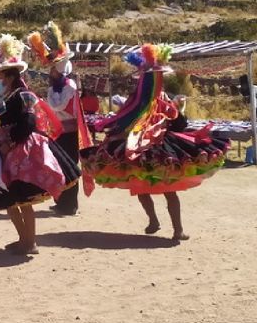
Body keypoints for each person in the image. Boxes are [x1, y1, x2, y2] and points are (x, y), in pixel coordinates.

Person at [81, 44, 230, 241]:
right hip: (146, 147)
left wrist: (177, 109)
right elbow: (176, 124)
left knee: (148, 186)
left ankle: (164, 224)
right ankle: (169, 227)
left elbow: (170, 123)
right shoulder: (149, 101)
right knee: (158, 188)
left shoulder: (154, 101)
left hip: (151, 148)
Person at [0, 35, 81, 255]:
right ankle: (24, 239)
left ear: (8, 76)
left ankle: (30, 242)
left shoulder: (24, 96)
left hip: (20, 152)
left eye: (1, 76)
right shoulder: (1, 99)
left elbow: (28, 123)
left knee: (23, 199)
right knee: (10, 200)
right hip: (1, 152)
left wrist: (9, 143)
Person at [27, 21, 92, 215]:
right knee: (60, 165)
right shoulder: (55, 87)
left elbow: (56, 105)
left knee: (70, 166)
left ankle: (70, 204)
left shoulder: (70, 86)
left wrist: (49, 96)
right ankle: (62, 201)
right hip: (58, 132)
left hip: (69, 133)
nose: (51, 72)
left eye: (53, 68)